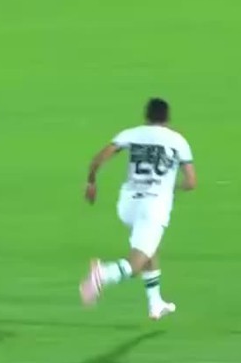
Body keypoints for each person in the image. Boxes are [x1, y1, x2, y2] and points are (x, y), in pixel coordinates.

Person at [80, 97, 197, 319]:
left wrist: (91, 182)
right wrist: (172, 188)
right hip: (153, 207)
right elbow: (191, 182)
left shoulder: (131, 134)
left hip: (128, 204)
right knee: (136, 262)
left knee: (150, 247)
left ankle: (155, 303)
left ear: (146, 116)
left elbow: (98, 159)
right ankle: (103, 274)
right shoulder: (178, 141)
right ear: (167, 118)